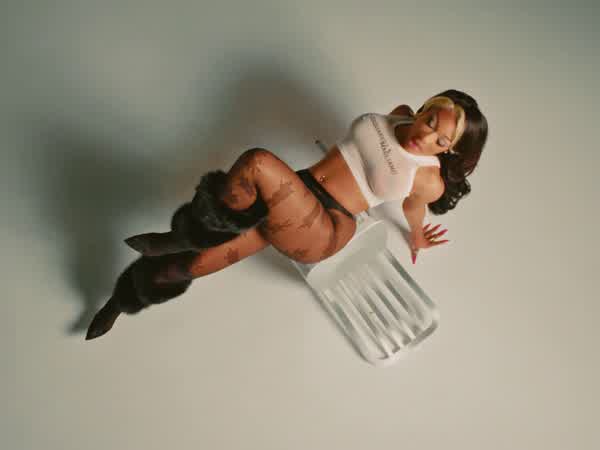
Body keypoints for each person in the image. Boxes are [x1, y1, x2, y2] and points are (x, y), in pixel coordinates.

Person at [85, 89, 488, 340]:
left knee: (258, 163)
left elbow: (413, 207)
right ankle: (119, 302)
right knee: (196, 263)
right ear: (424, 107)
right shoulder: (398, 114)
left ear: (449, 150)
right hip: (295, 192)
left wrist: (416, 236)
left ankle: (181, 235)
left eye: (441, 140)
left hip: (326, 226)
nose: (426, 136)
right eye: (430, 120)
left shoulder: (428, 178)